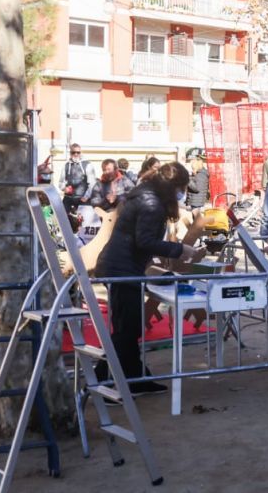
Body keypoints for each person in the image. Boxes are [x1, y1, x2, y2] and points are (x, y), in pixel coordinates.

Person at [95, 161, 205, 394]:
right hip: (122, 270)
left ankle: (135, 378)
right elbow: (144, 241)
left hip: (121, 266)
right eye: (182, 188)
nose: (182, 194)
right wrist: (179, 250)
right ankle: (104, 381)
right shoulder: (152, 203)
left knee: (129, 327)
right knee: (126, 329)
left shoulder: (144, 195)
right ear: (173, 186)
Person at [62, 143, 95, 211]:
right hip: (68, 197)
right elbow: (61, 182)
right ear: (70, 153)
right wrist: (64, 188)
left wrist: (86, 196)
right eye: (73, 152)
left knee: (83, 219)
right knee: (62, 217)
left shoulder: (87, 165)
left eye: (78, 152)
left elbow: (92, 183)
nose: (76, 154)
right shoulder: (66, 165)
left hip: (82, 198)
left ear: (80, 153)